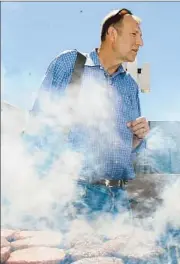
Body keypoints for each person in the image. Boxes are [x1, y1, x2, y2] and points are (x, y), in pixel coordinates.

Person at [26, 8, 150, 226]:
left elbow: (127, 149)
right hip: (75, 197)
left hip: (119, 200)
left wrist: (137, 139)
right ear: (112, 34)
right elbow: (38, 126)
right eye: (134, 34)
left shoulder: (130, 86)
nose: (140, 43)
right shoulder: (72, 64)